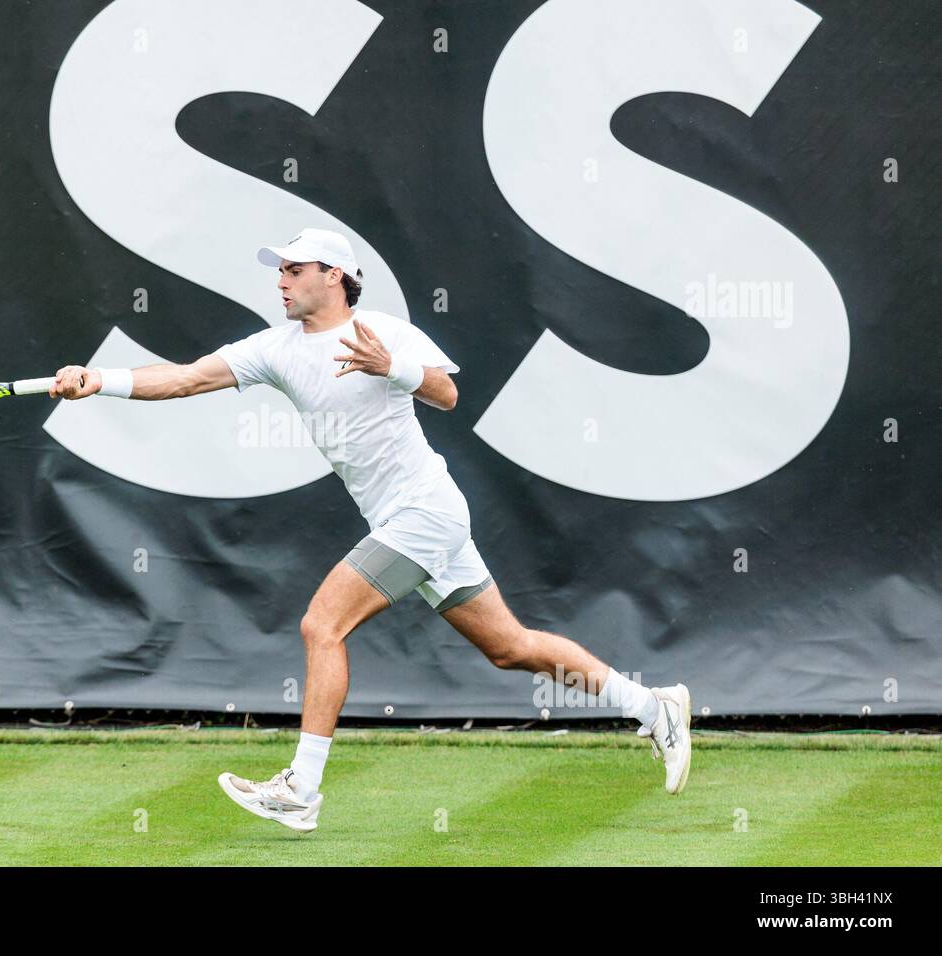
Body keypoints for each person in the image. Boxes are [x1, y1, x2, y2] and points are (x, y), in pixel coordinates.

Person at [50, 227, 691, 832]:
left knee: (321, 625)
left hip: (426, 512)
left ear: (333, 276)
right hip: (406, 519)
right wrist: (97, 380)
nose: (281, 281)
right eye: (280, 271)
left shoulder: (382, 332)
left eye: (294, 270)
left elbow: (446, 395)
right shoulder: (272, 348)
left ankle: (301, 791)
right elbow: (185, 377)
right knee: (510, 649)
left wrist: (393, 368)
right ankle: (651, 706)